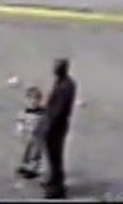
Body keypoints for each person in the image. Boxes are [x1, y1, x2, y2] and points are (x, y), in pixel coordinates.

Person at [39, 59, 77, 199]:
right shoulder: (64, 82)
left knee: (55, 156)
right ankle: (54, 181)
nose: (54, 70)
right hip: (56, 125)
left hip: (56, 127)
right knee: (53, 156)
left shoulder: (65, 86)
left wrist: (47, 123)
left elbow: (58, 110)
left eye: (56, 68)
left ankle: (57, 188)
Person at [16, 86, 46, 179]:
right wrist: (20, 127)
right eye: (30, 99)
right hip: (28, 135)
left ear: (39, 100)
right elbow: (20, 120)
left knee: (36, 153)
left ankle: (34, 169)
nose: (33, 102)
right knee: (26, 151)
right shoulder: (24, 111)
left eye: (36, 99)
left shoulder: (43, 112)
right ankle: (25, 166)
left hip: (39, 136)